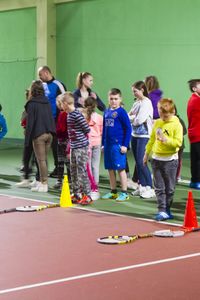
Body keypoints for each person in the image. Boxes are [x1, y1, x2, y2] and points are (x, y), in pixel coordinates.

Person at [143, 98, 183, 221]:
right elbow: (151, 139)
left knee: (170, 188)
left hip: (170, 161)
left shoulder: (177, 125)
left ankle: (167, 209)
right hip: (156, 159)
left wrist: (166, 140)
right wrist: (146, 153)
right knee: (159, 187)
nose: (163, 118)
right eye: (161, 115)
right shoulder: (158, 122)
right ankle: (161, 210)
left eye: (166, 116)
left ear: (173, 112)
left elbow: (178, 142)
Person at [60, 92, 92, 205]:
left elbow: (87, 129)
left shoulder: (77, 115)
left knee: (81, 171)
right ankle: (76, 194)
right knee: (73, 171)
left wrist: (82, 142)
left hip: (81, 147)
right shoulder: (69, 115)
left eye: (61, 104)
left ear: (65, 103)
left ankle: (87, 195)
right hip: (74, 147)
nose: (60, 106)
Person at [24, 80, 56, 192]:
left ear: (32, 90)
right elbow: (51, 117)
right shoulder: (46, 101)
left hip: (39, 135)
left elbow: (30, 123)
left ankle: (44, 184)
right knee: (42, 160)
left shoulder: (31, 104)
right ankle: (40, 182)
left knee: (41, 160)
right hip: (49, 135)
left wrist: (27, 140)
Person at [102, 88, 132, 201]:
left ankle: (124, 192)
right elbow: (104, 129)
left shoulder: (122, 112)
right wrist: (103, 144)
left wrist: (125, 145)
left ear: (120, 99)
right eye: (111, 99)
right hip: (108, 145)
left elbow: (128, 129)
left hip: (118, 145)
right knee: (110, 168)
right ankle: (113, 191)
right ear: (108, 99)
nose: (114, 101)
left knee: (120, 169)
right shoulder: (106, 112)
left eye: (116, 99)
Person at [38, 65, 66, 178]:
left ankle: (59, 168)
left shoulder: (58, 85)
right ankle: (41, 170)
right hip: (44, 120)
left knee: (56, 145)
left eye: (40, 74)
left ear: (46, 73)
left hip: (56, 120)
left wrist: (62, 119)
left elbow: (65, 100)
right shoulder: (42, 85)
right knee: (40, 144)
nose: (39, 77)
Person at [129, 81, 154, 198]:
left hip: (144, 136)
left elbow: (140, 120)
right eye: (133, 91)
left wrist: (132, 118)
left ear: (142, 90)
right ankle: (142, 186)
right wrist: (133, 117)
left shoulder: (146, 103)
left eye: (135, 91)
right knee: (137, 163)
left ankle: (150, 187)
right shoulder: (137, 103)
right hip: (134, 135)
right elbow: (129, 115)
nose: (134, 94)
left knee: (141, 161)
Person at [16, 89, 40, 188]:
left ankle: (37, 180)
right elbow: (23, 121)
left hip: (36, 135)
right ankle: (26, 179)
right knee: (26, 157)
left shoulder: (36, 106)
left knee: (37, 158)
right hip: (28, 135)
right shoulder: (27, 107)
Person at [82, 96, 103, 200]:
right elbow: (102, 131)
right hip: (97, 143)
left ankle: (90, 186)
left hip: (87, 143)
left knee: (88, 166)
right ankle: (95, 187)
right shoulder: (100, 117)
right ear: (95, 106)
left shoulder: (83, 116)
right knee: (95, 165)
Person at [53, 95, 70, 189]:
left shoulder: (63, 114)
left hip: (63, 141)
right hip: (64, 141)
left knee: (62, 162)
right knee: (66, 162)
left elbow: (61, 129)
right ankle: (68, 182)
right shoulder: (65, 114)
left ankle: (61, 181)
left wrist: (56, 132)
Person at [187, 79, 200, 189]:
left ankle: (195, 181)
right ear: (194, 89)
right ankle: (196, 181)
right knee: (197, 160)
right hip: (197, 133)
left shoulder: (194, 99)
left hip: (195, 133)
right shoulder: (196, 100)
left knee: (195, 159)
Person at [174, 106, 187, 182]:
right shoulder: (166, 120)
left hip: (180, 145)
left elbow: (185, 131)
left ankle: (177, 176)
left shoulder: (180, 120)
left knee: (178, 161)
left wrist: (177, 134)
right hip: (170, 145)